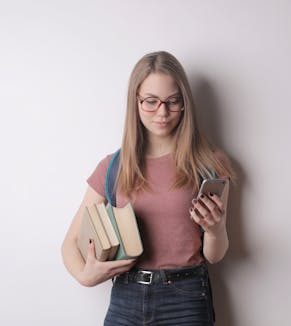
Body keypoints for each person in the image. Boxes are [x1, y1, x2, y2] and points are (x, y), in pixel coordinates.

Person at [61, 51, 235, 325]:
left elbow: (214, 255)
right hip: (125, 298)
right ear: (136, 102)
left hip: (186, 299)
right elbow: (69, 244)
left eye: (173, 101)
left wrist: (215, 229)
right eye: (151, 102)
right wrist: (86, 276)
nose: (162, 112)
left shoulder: (210, 164)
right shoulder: (112, 166)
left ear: (185, 103)